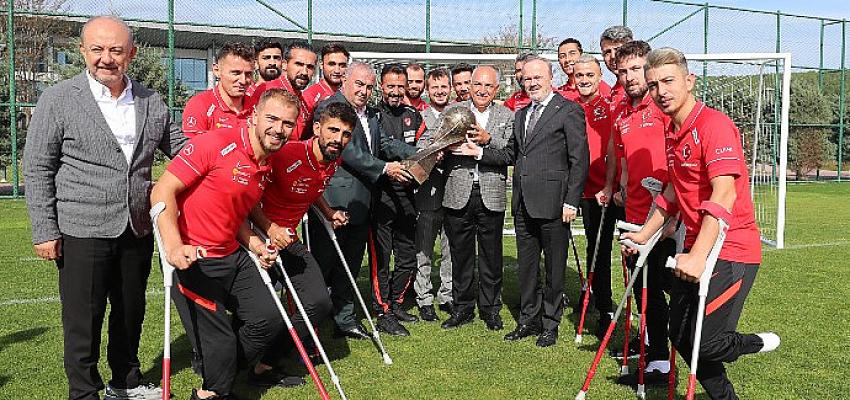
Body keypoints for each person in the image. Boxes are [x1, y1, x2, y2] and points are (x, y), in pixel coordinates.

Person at [23, 16, 186, 400]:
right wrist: (44, 229)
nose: (106, 58)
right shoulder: (58, 99)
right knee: (84, 319)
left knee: (130, 312)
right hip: (81, 228)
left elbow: (183, 150)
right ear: (83, 51)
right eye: (97, 49)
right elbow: (38, 166)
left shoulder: (151, 101)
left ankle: (125, 381)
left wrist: (229, 151)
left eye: (116, 50)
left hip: (136, 227)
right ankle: (83, 392)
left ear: (131, 53)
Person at [625, 47, 779, 399]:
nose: (661, 91)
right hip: (695, 245)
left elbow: (724, 193)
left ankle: (754, 342)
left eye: (668, 81)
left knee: (707, 342)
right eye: (653, 85)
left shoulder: (714, 125)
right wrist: (643, 235)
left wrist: (697, 256)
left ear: (689, 81)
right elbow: (672, 192)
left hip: (732, 249)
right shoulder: (671, 130)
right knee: (680, 336)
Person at [150, 88, 299, 399]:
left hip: (233, 254)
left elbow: (236, 210)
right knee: (220, 350)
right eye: (272, 119)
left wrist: (256, 245)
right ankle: (213, 385)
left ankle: (220, 364)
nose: (279, 129)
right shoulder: (215, 143)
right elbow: (162, 191)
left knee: (269, 319)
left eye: (287, 123)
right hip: (194, 257)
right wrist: (174, 247)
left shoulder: (266, 162)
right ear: (255, 116)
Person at [455, 56, 588, 347]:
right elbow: (510, 155)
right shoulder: (522, 114)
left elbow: (579, 160)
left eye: (537, 77)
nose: (532, 83)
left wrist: (571, 201)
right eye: (527, 79)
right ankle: (528, 320)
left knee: (553, 268)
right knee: (527, 267)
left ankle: (550, 324)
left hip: (555, 204)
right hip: (523, 203)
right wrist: (479, 153)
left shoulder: (569, 110)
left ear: (550, 78)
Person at [246, 102, 356, 382]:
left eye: (345, 134)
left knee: (319, 303)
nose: (338, 139)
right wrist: (270, 228)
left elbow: (312, 187)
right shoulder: (287, 154)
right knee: (257, 312)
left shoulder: (333, 159)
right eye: (333, 130)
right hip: (255, 237)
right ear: (317, 128)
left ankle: (266, 364)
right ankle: (223, 367)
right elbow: (248, 195)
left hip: (288, 241)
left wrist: (328, 213)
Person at [306, 62, 415, 341]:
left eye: (369, 87)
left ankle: (344, 320)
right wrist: (385, 168)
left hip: (363, 203)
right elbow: (348, 152)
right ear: (345, 80)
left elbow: (385, 144)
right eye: (359, 84)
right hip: (333, 202)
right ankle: (309, 326)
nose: (364, 91)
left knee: (350, 265)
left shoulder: (371, 114)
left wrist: (419, 152)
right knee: (322, 266)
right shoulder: (329, 107)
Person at [602, 41, 674, 386]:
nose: (629, 77)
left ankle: (667, 358)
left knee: (663, 288)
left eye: (636, 69)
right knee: (644, 290)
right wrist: (620, 189)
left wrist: (674, 214)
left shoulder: (663, 108)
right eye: (623, 71)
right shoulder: (622, 114)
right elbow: (626, 161)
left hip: (665, 218)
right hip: (633, 216)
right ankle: (654, 351)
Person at [440, 65, 514, 332]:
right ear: (469, 87)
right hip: (457, 192)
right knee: (460, 255)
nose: (482, 90)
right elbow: (434, 144)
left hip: (491, 194)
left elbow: (510, 154)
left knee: (491, 256)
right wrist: (446, 147)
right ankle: (462, 308)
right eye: (478, 85)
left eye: (488, 86)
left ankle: (490, 309)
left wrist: (487, 139)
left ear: (497, 89)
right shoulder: (453, 112)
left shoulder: (507, 115)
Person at [370, 64, 425, 336]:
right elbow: (382, 147)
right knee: (381, 258)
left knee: (407, 255)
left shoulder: (413, 115)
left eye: (400, 86)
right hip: (381, 196)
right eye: (390, 86)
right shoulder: (372, 116)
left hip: (407, 195)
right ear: (382, 86)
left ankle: (397, 303)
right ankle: (383, 310)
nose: (395, 91)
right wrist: (416, 152)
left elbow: (424, 149)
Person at [570, 54, 617, 338]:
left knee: (607, 250)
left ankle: (607, 307)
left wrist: (612, 185)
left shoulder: (610, 105)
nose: (584, 80)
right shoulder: (570, 106)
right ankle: (597, 301)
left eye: (590, 75)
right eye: (579, 76)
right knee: (594, 250)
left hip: (608, 190)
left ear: (600, 77)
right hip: (582, 191)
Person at [413, 67, 454, 321]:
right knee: (424, 250)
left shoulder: (459, 114)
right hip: (427, 192)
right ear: (428, 90)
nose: (440, 91)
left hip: (454, 193)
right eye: (435, 87)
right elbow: (414, 153)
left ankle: (447, 295)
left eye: (443, 87)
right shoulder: (420, 117)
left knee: (450, 250)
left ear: (450, 88)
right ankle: (424, 297)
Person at [182, 42, 255, 138]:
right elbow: (194, 146)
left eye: (248, 74)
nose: (243, 80)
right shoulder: (200, 105)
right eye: (236, 73)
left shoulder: (257, 107)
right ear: (217, 71)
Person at [251, 41, 317, 140]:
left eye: (310, 67)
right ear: (285, 65)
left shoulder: (305, 102)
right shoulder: (266, 90)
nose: (304, 72)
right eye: (299, 64)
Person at [555, 38, 611, 102]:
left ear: (581, 55)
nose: (567, 59)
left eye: (572, 53)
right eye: (562, 56)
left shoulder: (601, 87)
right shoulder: (559, 93)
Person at [303, 43, 349, 114]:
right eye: (332, 64)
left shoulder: (350, 93)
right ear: (321, 65)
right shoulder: (310, 96)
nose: (337, 70)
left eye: (342, 65)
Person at [599, 25, 634, 108]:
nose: (613, 56)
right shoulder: (614, 92)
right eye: (607, 52)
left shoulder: (644, 88)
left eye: (618, 50)